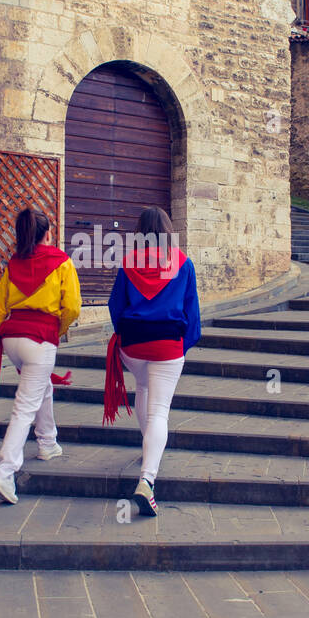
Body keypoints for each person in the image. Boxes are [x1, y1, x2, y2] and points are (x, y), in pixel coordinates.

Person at [0, 207, 81, 505]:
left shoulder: (14, 264)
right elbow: (74, 306)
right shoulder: (62, 262)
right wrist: (57, 330)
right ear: (48, 234)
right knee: (25, 406)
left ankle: (48, 442)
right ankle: (5, 469)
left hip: (12, 339)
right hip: (40, 339)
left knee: (41, 389)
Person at [104, 206, 201, 516]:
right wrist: (182, 347)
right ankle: (147, 479)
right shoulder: (183, 264)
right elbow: (192, 314)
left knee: (143, 388)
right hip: (166, 347)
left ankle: (149, 449)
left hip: (133, 347)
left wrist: (125, 334)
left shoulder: (128, 264)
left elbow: (115, 306)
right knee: (159, 411)